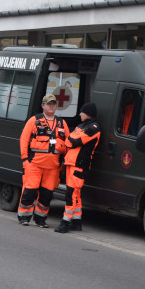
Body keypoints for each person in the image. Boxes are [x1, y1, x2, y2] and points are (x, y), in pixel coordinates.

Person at [18, 92, 67, 227]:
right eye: (49, 104)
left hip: (53, 167)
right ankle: (24, 217)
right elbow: (24, 139)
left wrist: (63, 162)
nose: (51, 106)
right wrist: (25, 159)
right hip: (34, 164)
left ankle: (40, 219)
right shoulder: (34, 120)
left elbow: (68, 144)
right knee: (30, 191)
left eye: (53, 104)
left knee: (47, 194)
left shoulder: (62, 123)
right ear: (43, 105)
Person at [55, 101, 101, 233]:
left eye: (82, 112)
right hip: (71, 163)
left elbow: (75, 141)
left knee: (71, 194)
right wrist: (71, 139)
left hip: (79, 165)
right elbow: (70, 140)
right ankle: (76, 222)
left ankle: (65, 223)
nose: (80, 114)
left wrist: (71, 139)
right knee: (76, 194)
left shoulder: (94, 128)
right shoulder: (82, 126)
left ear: (88, 114)